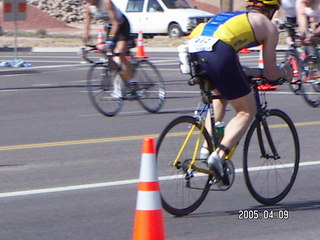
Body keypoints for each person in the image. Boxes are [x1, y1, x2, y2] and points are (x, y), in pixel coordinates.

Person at [187, 0, 293, 184]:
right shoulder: (268, 26)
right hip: (219, 51)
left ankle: (206, 148)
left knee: (220, 96)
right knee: (246, 111)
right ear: (272, 11)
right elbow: (270, 73)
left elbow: (233, 65)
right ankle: (218, 156)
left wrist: (254, 72)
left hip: (194, 47)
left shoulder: (234, 17)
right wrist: (285, 73)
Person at [83, 0, 136, 89]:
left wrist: (110, 40)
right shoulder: (88, 7)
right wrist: (83, 46)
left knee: (119, 52)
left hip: (121, 24)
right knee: (109, 56)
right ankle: (121, 75)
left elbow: (116, 23)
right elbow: (86, 28)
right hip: (109, 27)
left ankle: (132, 80)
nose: (87, 1)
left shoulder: (106, 2)